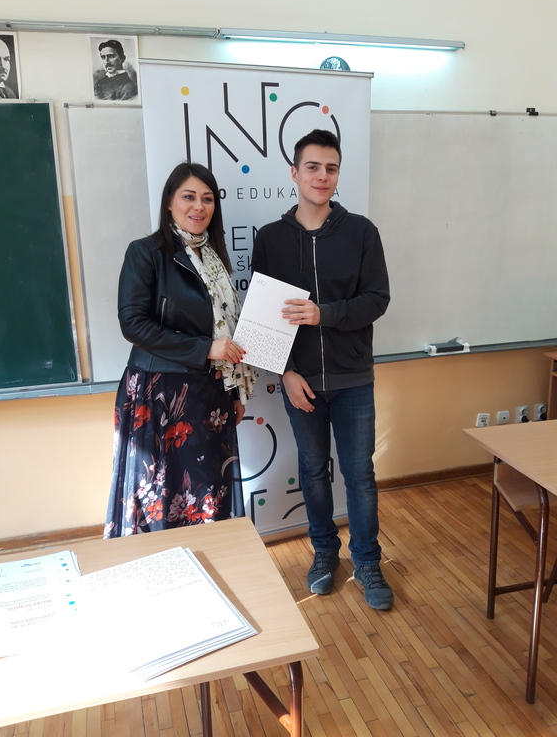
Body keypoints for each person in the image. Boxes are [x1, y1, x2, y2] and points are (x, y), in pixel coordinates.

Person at [251, 129, 393, 610]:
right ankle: (324, 553)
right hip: (301, 381)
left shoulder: (361, 232)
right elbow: (263, 319)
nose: (322, 176)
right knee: (313, 471)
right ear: (294, 173)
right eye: (312, 167)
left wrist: (323, 314)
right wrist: (286, 373)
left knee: (359, 474)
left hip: (353, 379)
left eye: (331, 168)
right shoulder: (271, 239)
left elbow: (377, 299)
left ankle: (367, 561)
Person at [104, 162, 255, 537]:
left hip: (211, 393)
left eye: (208, 199)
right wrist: (206, 349)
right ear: (169, 201)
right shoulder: (146, 253)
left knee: (209, 495)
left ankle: (209, 565)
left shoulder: (213, 258)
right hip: (161, 393)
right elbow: (133, 324)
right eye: (189, 196)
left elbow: (225, 330)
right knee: (162, 495)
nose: (199, 206)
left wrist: (234, 392)